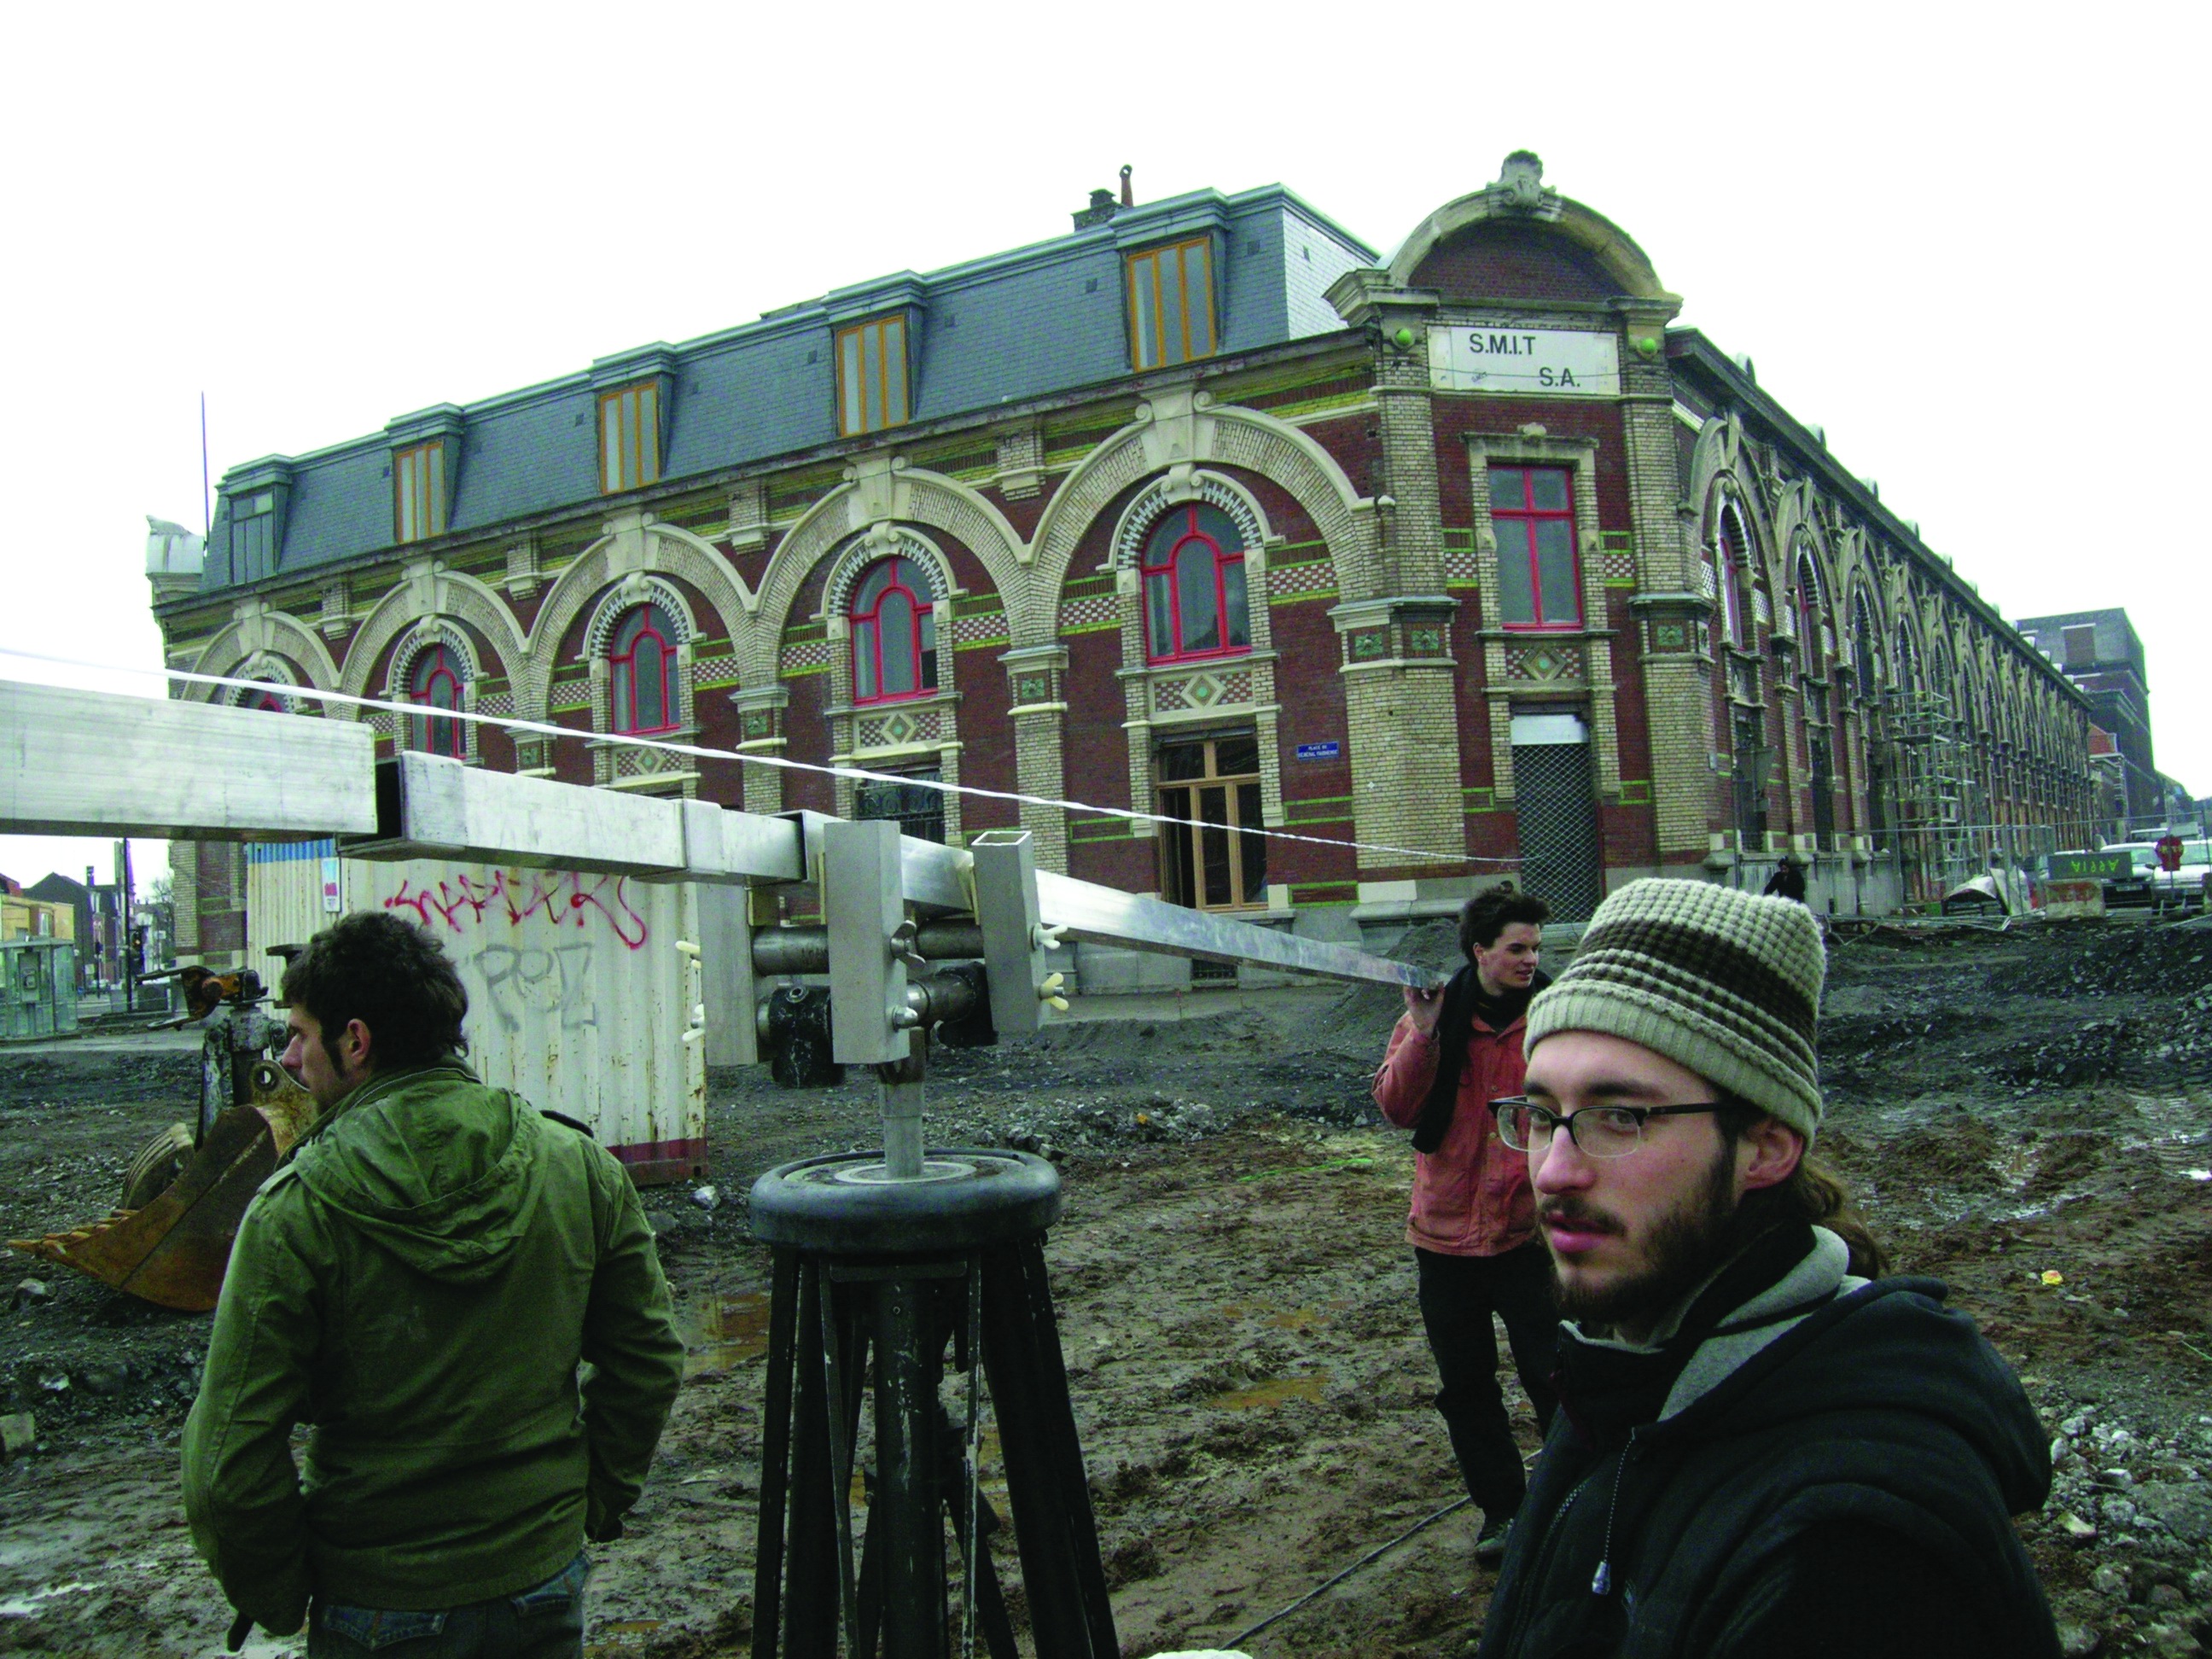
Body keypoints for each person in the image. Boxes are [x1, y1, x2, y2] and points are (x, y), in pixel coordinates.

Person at [1476, 878, 2058, 1659]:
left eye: (1621, 1116)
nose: (1553, 1171)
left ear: (1766, 1148)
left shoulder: (1853, 1555)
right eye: (1543, 1116)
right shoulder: (1625, 1373)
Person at [183, 911, 685, 1657]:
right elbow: (648, 1358)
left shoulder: (295, 1209)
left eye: (300, 1034)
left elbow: (226, 1461)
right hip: (541, 1585)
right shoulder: (577, 1167)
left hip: (375, 1602)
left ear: (356, 1041)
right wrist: (587, 1506)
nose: (289, 1058)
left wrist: (282, 1595)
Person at [1373, 887, 1557, 1563]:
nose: (1530, 959)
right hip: (1444, 1237)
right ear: (1480, 951)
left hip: (1529, 1236)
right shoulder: (1435, 1017)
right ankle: (1503, 1513)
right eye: (1516, 948)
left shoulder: (1554, 1020)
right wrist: (1424, 1033)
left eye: (1535, 948)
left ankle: (1572, 1504)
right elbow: (1397, 1108)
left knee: (1556, 1377)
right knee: (1468, 1388)